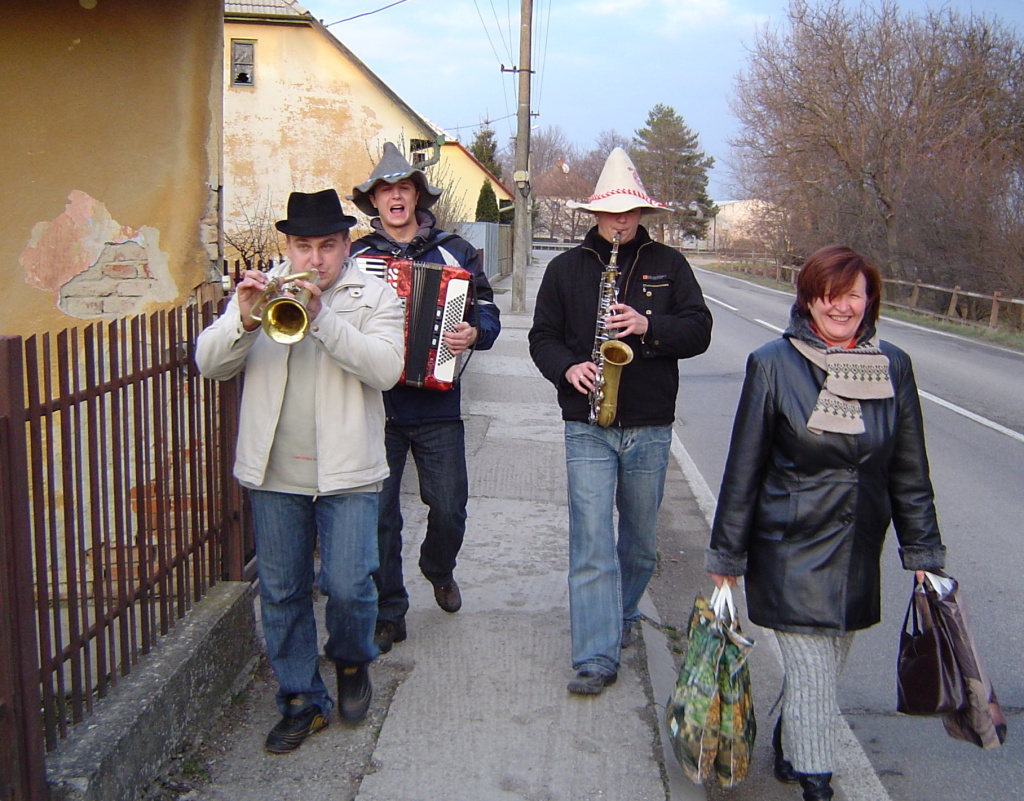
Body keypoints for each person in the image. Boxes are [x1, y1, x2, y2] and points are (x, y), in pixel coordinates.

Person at [705, 245, 947, 800]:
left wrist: (923, 555)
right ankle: (816, 782)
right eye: (829, 295)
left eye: (853, 295)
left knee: (822, 672)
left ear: (870, 300)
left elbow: (909, 469)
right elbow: (744, 467)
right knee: (814, 675)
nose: (841, 307)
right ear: (808, 300)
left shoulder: (894, 366)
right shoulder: (773, 363)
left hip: (857, 548)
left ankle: (790, 737)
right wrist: (727, 556)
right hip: (788, 548)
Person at [194, 189, 404, 754]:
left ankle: (352, 661)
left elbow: (386, 370)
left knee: (350, 586)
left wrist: (322, 319)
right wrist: (243, 319)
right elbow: (209, 364)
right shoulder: (261, 290)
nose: (315, 259)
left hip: (349, 470)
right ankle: (301, 699)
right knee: (283, 591)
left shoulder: (375, 295)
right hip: (274, 471)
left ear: (346, 246)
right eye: (304, 246)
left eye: (328, 246)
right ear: (287, 247)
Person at [529, 147, 713, 695]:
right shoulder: (565, 269)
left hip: (650, 425)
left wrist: (648, 325)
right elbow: (542, 338)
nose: (620, 221)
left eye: (629, 211)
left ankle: (624, 611)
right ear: (596, 214)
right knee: (590, 541)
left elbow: (699, 330)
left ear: (641, 213)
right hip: (586, 424)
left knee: (638, 545)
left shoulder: (669, 265)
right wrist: (568, 368)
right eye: (611, 211)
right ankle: (595, 655)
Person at [348, 143, 501, 653]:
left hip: (437, 405)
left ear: (417, 197)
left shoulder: (454, 251)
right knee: (380, 518)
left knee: (450, 506)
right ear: (374, 201)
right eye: (385, 190)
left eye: (404, 189)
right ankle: (389, 612)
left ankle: (438, 567)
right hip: (375, 406)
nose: (395, 197)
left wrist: (474, 332)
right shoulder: (356, 258)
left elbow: (486, 309)